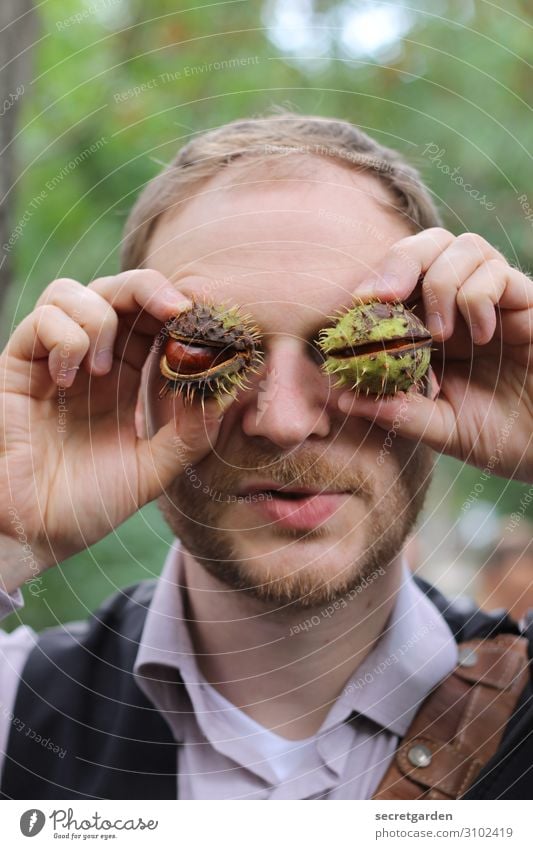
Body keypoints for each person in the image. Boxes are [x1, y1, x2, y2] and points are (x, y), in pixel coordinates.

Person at [0, 113, 532, 800]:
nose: (281, 421)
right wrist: (8, 533)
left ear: (434, 372)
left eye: (362, 351)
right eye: (211, 352)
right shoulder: (17, 706)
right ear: (138, 390)